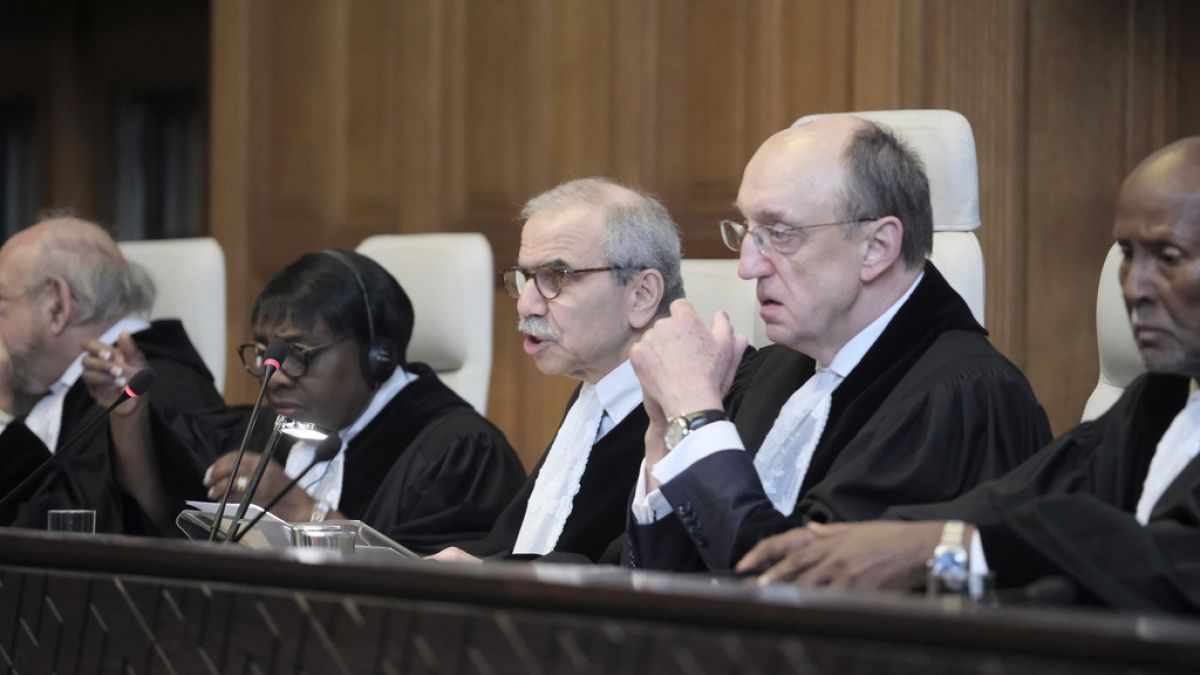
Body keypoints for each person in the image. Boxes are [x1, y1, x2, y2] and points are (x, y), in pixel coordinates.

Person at [737, 137, 1200, 614]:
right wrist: (908, 538)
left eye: (1168, 257)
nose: (1134, 287)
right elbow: (1022, 499)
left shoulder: (964, 390)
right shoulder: (1162, 396)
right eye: (1128, 254)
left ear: (879, 246)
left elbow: (1173, 566)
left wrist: (946, 548)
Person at [625, 115, 1051, 572]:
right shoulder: (770, 370)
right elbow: (669, 580)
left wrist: (696, 419)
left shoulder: (964, 401)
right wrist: (666, 432)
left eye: (779, 234)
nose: (747, 267)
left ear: (877, 247)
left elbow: (799, 585)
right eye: (747, 230)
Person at [98, 250, 526, 551]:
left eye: (298, 353)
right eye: (266, 353)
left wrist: (306, 513)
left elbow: (437, 599)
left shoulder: (458, 453)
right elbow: (166, 524)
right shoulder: (273, 430)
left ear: (376, 357)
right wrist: (129, 418)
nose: (276, 376)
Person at [431, 177, 683, 563]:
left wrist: (488, 574)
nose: (526, 304)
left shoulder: (686, 417)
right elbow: (521, 546)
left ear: (641, 294)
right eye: (527, 278)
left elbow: (626, 576)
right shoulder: (593, 396)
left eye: (556, 278)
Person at [0, 216, 224, 532]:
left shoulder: (159, 387)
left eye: (1, 299)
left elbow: (72, 534)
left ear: (57, 305)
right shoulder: (59, 388)